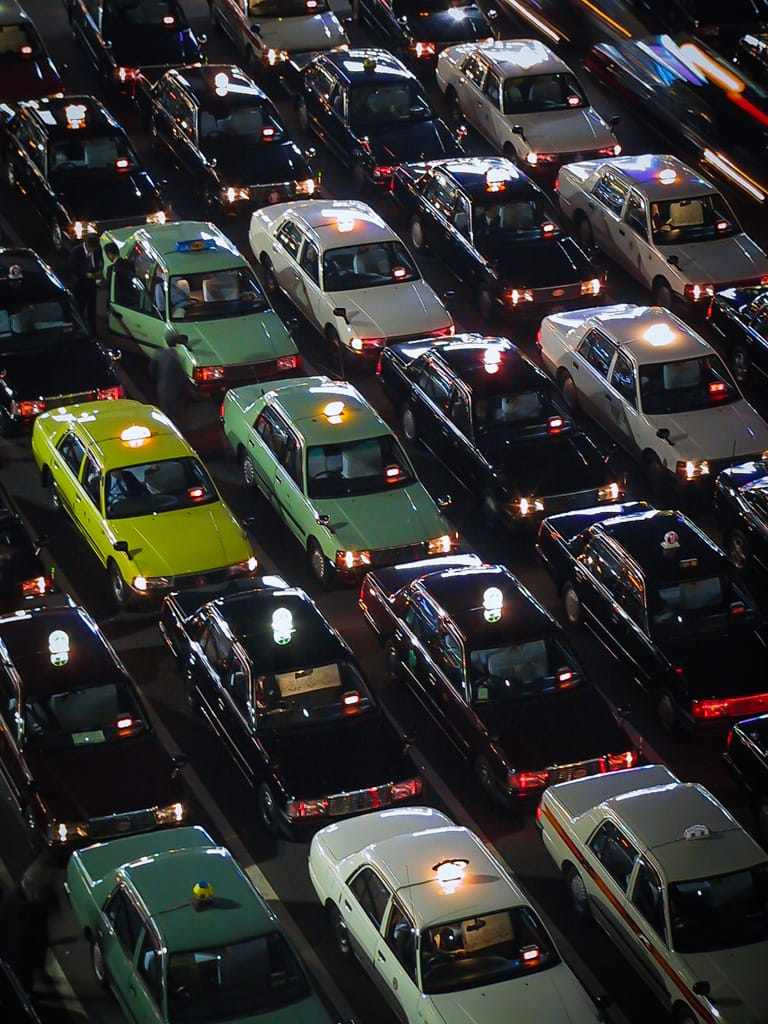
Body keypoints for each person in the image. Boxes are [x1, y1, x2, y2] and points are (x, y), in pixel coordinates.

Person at [0, 850, 57, 992]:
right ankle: (29, 992)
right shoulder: (13, 900)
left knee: (37, 961)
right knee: (25, 975)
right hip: (20, 948)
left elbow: (51, 904)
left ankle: (40, 974)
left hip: (35, 939)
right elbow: (9, 929)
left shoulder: (40, 891)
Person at [150, 335, 189, 426]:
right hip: (175, 391)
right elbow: (182, 377)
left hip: (162, 388)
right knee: (174, 414)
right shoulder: (179, 357)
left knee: (165, 412)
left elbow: (152, 370)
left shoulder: (159, 353)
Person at [69, 234, 101, 333]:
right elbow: (73, 267)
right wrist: (86, 274)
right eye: (91, 249)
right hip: (80, 284)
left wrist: (98, 272)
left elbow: (99, 262)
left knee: (92, 309)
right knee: (79, 308)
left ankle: (93, 331)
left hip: (92, 284)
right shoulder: (76, 251)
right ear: (86, 245)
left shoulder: (97, 250)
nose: (92, 251)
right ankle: (78, 330)